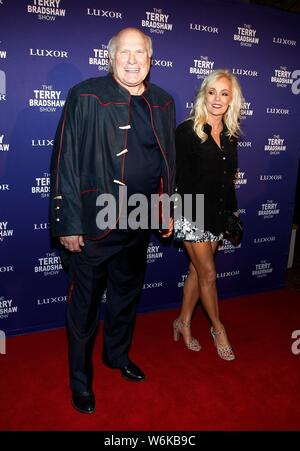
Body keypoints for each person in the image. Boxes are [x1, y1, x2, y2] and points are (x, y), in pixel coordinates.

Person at [50, 27, 175, 414]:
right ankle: (80, 382)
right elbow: (64, 161)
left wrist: (168, 209)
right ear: (111, 57)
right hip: (94, 222)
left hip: (139, 220)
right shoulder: (86, 94)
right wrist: (67, 222)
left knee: (125, 299)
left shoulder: (164, 101)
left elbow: (169, 161)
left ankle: (116, 356)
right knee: (84, 307)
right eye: (125, 52)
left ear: (151, 59)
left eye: (141, 52)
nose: (133, 60)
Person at [173, 69, 243, 360]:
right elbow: (172, 176)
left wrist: (230, 214)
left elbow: (227, 179)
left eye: (224, 93)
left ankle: (183, 322)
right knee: (209, 274)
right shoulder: (187, 131)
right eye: (212, 92)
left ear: (231, 100)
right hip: (190, 212)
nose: (217, 99)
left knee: (196, 271)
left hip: (215, 213)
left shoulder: (229, 135)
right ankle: (218, 328)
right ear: (204, 94)